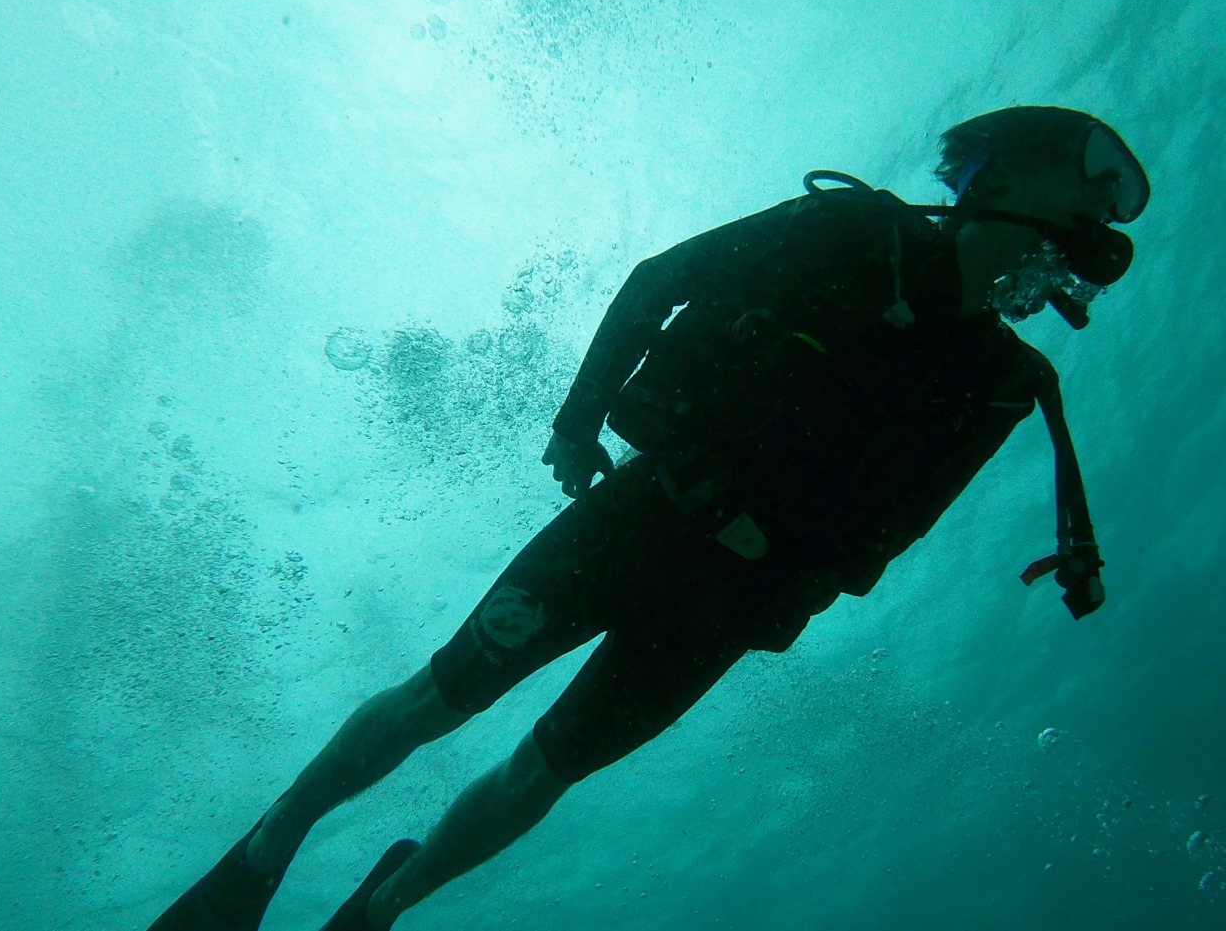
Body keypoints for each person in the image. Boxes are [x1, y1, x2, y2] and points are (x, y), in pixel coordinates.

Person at [145, 105, 1150, 931]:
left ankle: (382, 910)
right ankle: (268, 845)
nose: (1103, 214)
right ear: (1003, 174)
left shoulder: (1004, 383)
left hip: (723, 611)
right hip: (636, 518)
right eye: (1092, 177)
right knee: (441, 696)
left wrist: (784, 594)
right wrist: (577, 424)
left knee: (547, 771)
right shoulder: (855, 233)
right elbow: (661, 281)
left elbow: (892, 536)